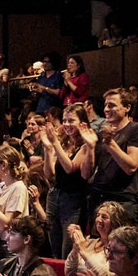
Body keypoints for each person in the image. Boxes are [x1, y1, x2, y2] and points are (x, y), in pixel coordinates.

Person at [83, 88, 138, 221]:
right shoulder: (100, 135)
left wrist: (110, 143)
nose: (106, 109)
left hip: (123, 202)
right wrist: (90, 148)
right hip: (98, 200)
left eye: (112, 105)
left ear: (127, 107)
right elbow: (86, 174)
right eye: (105, 105)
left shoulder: (137, 129)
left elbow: (131, 167)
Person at [42, 104, 93, 258]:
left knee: (68, 249)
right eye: (64, 121)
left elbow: (70, 168)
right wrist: (47, 149)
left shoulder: (86, 145)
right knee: (55, 246)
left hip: (73, 200)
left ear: (82, 123)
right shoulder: (64, 143)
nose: (66, 124)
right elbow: (49, 174)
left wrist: (55, 144)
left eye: (71, 121)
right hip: (55, 195)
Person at [65, 201, 133, 276]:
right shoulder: (89, 242)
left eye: (104, 217)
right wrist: (75, 248)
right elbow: (69, 273)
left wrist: (83, 251)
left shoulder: (118, 249)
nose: (99, 220)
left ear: (115, 222)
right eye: (98, 215)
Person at [0, 144, 30, 239]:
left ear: (4, 165)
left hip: (9, 243)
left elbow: (6, 223)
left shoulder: (18, 188)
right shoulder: (0, 186)